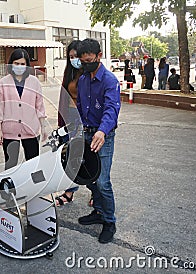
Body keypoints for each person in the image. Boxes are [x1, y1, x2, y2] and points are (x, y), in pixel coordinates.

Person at [76, 38, 121, 244]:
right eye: (82, 61)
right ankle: (99, 211)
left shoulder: (109, 81)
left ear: (99, 56)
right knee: (87, 177)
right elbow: (81, 109)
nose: (85, 64)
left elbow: (111, 110)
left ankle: (109, 222)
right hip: (86, 134)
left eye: (89, 60)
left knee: (103, 181)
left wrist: (102, 131)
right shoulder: (83, 79)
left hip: (104, 136)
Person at [0, 48, 48, 171]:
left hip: (31, 130)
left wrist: (43, 127)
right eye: (16, 63)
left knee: (33, 164)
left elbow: (39, 106)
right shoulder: (3, 82)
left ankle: (31, 189)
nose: (19, 66)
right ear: (11, 64)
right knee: (10, 165)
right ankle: (10, 189)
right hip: (10, 131)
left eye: (22, 64)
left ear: (27, 65)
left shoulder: (34, 82)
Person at [55, 40, 82, 206]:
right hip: (70, 117)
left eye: (76, 56)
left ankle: (96, 193)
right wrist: (61, 122)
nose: (74, 60)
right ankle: (69, 191)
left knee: (85, 155)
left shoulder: (88, 73)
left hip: (84, 120)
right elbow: (63, 97)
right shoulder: (70, 73)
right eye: (70, 57)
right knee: (69, 156)